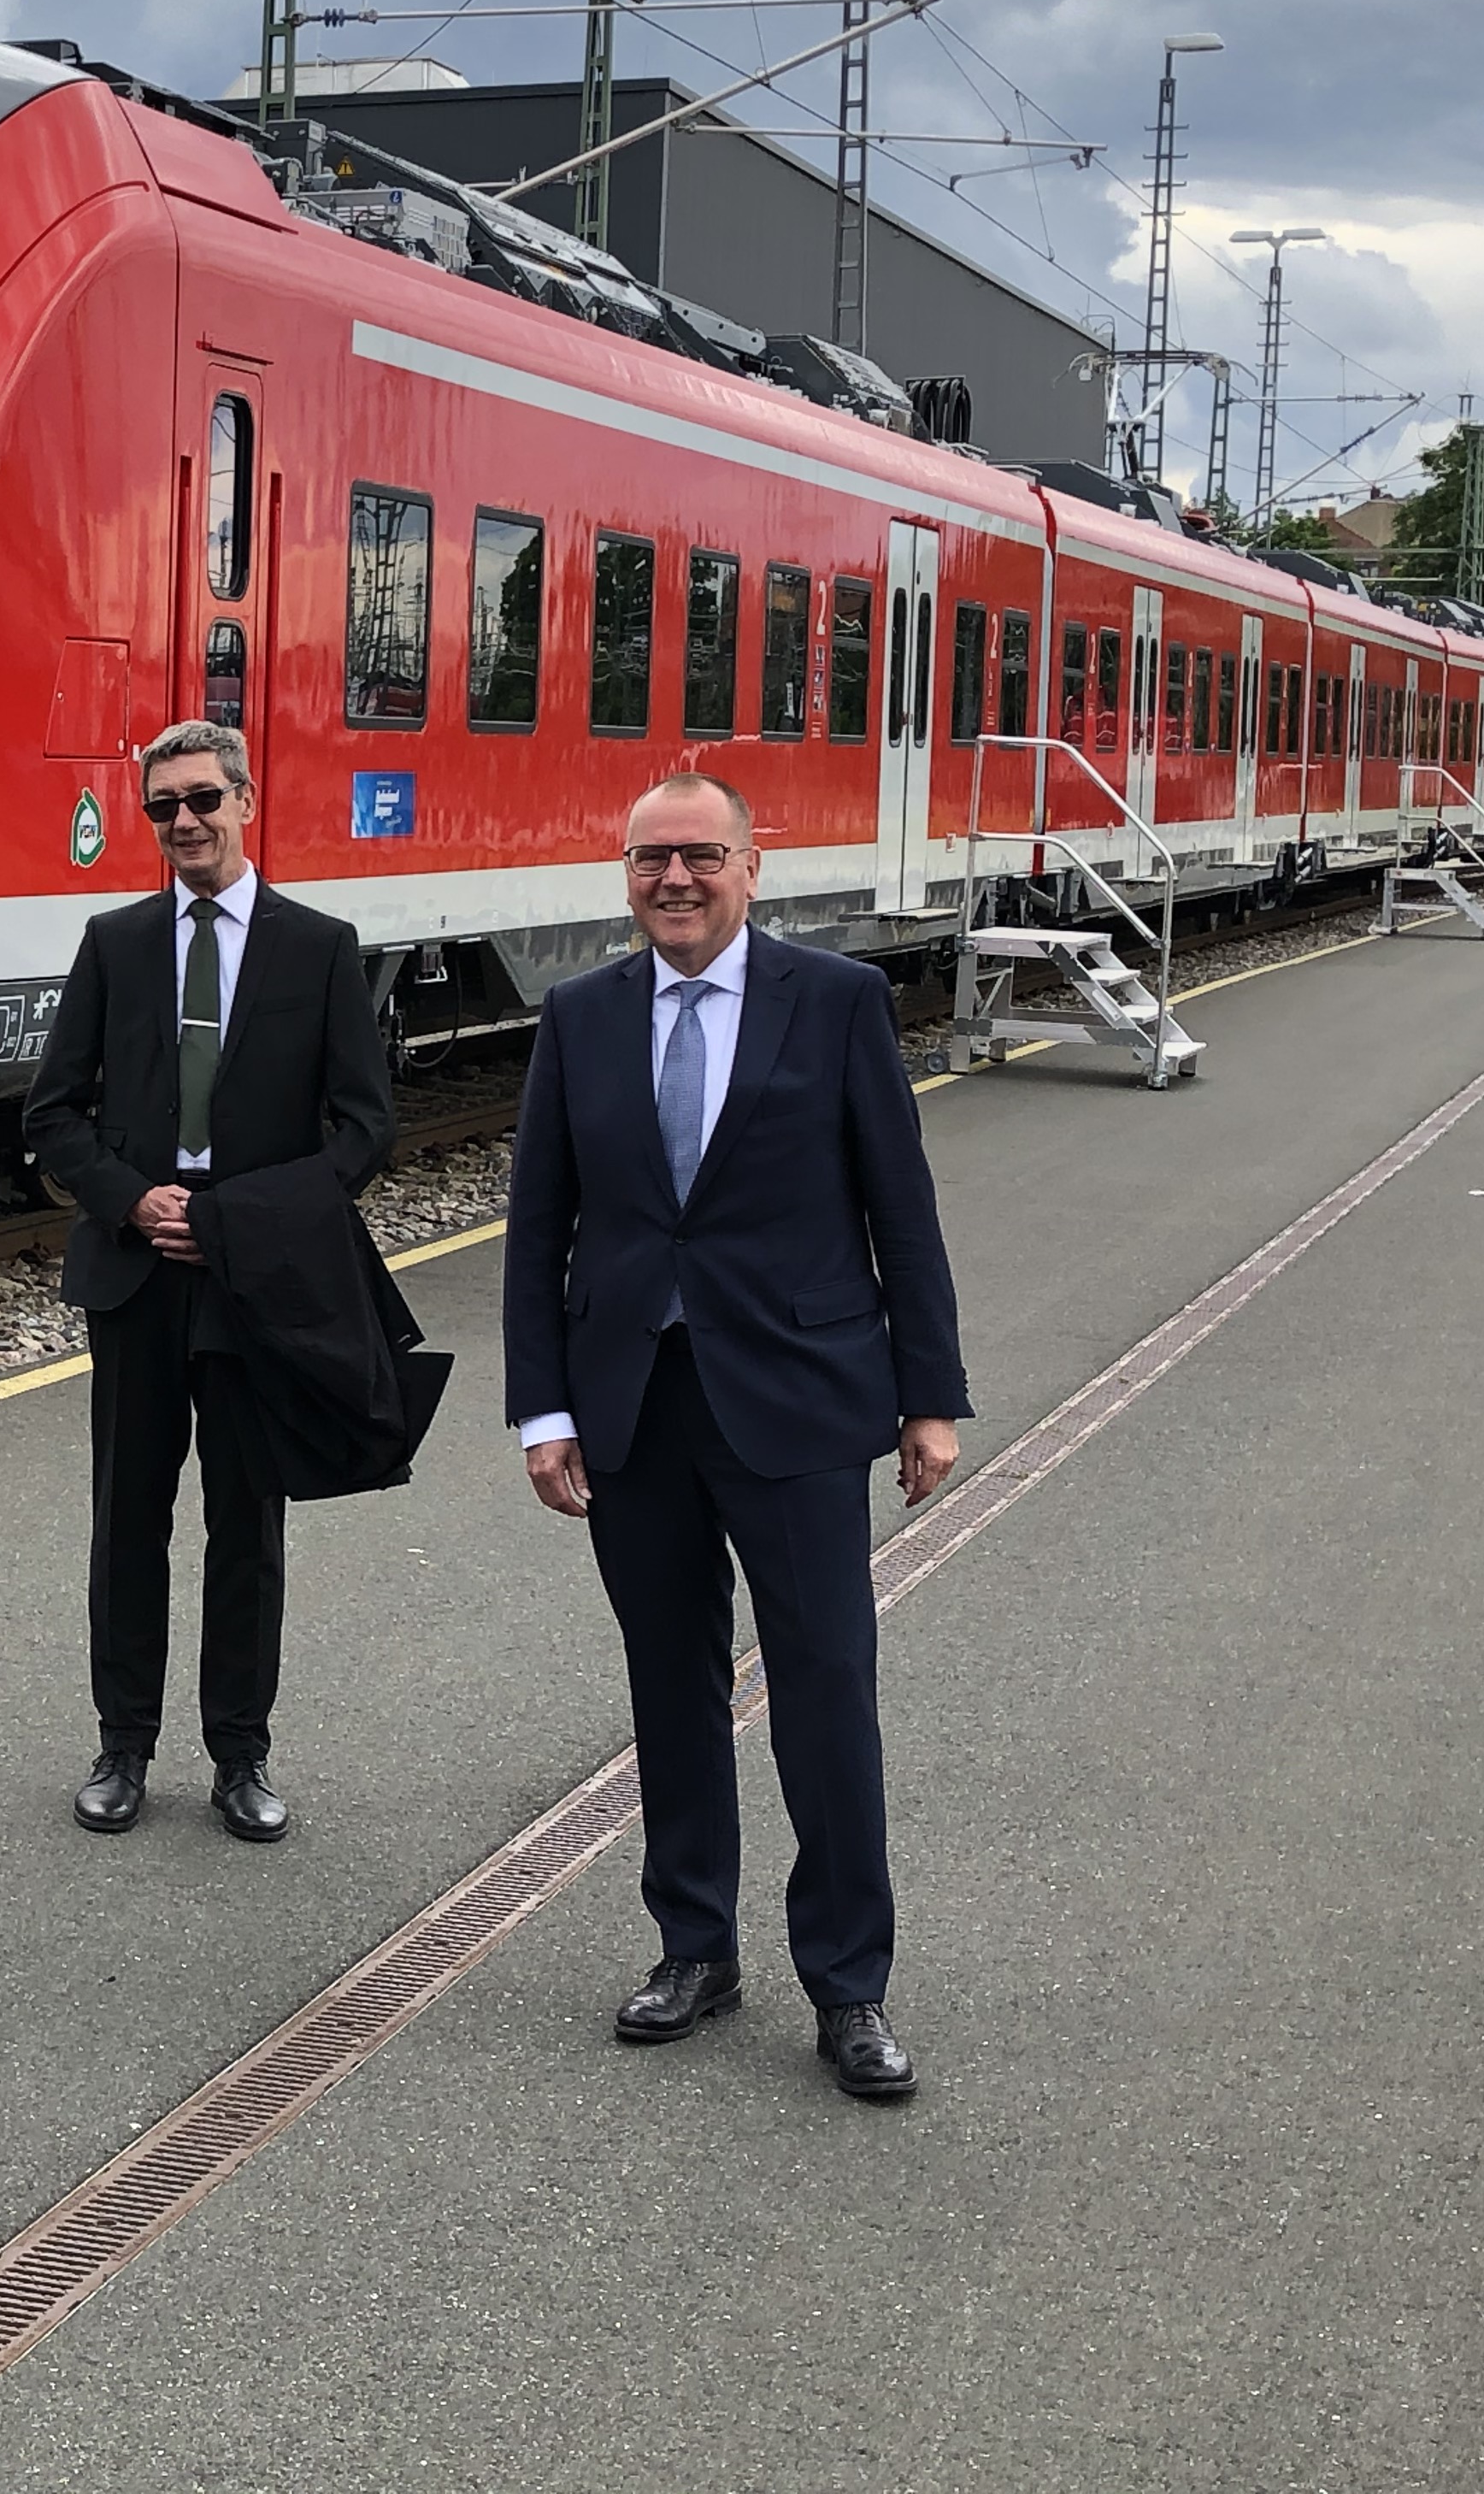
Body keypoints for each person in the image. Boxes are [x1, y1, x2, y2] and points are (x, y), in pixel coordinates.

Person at [502, 771, 969, 2102]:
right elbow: (540, 1233)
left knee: (825, 1692)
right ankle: (694, 1948)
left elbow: (904, 1210)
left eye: (701, 856)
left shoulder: (837, 1004)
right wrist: (544, 1409)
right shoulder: (582, 1017)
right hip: (634, 1407)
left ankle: (849, 1983)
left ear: (753, 867)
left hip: (806, 1402)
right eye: (651, 859)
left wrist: (926, 1397)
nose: (675, 881)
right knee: (672, 1687)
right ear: (626, 875)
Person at [24, 721, 395, 1845]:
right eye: (162, 806)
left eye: (201, 799)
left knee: (248, 1522)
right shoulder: (115, 941)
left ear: (245, 801)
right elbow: (52, 1115)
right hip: (137, 1275)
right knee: (127, 1519)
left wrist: (247, 1218)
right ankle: (121, 1747)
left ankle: (241, 1754)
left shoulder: (320, 947)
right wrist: (134, 1198)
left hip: (256, 1283)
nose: (183, 821)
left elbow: (365, 1128)